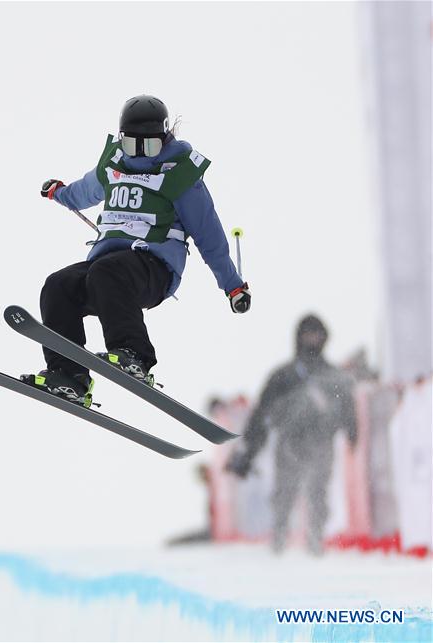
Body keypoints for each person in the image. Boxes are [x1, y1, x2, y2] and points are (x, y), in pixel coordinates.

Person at [21, 95, 250, 407]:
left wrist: (232, 285)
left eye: (150, 147)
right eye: (132, 146)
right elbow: (86, 189)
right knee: (58, 286)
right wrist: (60, 193)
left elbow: (209, 234)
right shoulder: (114, 165)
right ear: (121, 140)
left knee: (106, 272)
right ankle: (68, 374)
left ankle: (136, 355)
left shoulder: (179, 175)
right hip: (110, 271)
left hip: (153, 269)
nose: (140, 154)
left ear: (165, 138)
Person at [226, 314, 358, 555]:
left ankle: (316, 544)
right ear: (298, 338)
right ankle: (278, 543)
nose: (312, 340)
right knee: (284, 495)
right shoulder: (283, 376)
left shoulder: (333, 376)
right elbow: (261, 416)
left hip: (320, 444)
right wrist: (248, 451)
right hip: (289, 444)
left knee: (318, 495)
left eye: (316, 334)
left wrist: (352, 433)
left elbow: (348, 409)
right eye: (308, 334)